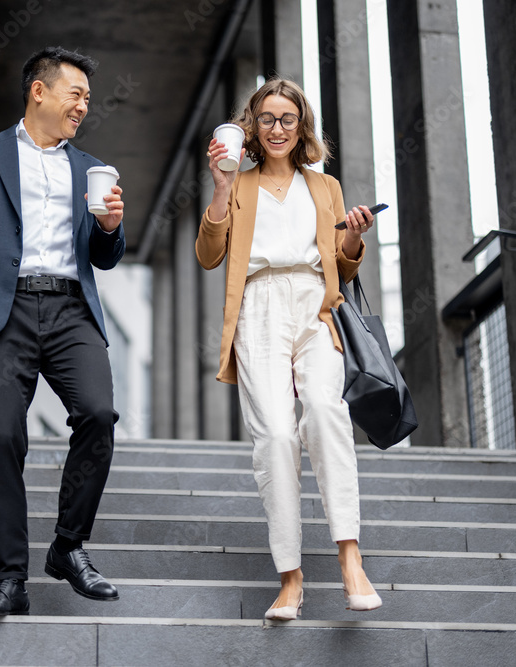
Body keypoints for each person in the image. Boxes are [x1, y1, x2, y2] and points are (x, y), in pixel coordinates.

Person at [0, 46, 125, 616]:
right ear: (39, 90)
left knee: (98, 414)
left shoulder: (90, 168)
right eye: (75, 93)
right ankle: (9, 579)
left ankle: (67, 546)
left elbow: (105, 257)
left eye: (88, 98)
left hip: (69, 311)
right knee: (2, 440)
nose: (84, 105)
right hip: (0, 310)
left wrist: (111, 228)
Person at [196, 78, 382, 620]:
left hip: (316, 307)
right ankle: (290, 578)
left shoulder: (325, 187)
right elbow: (210, 255)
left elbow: (343, 265)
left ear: (303, 127)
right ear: (251, 127)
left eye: (288, 119)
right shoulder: (241, 182)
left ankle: (350, 557)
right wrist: (220, 187)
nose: (278, 129)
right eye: (267, 119)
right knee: (275, 435)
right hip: (258, 306)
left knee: (326, 413)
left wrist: (354, 234)